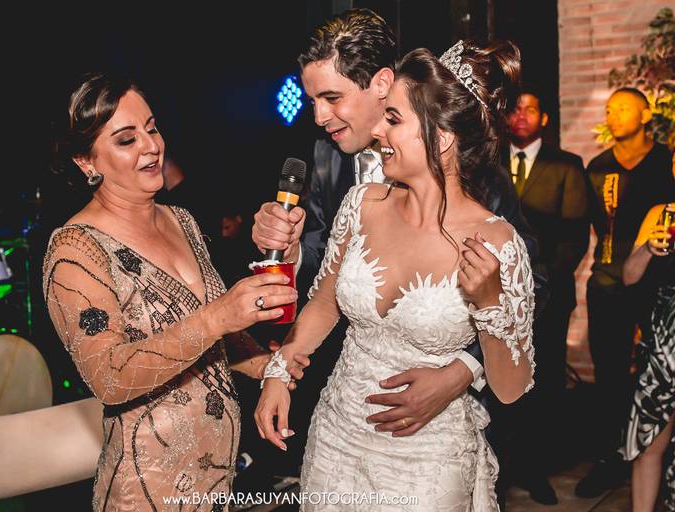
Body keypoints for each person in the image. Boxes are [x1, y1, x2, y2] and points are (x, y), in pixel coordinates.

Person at [251, 9, 546, 485]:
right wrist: (288, 257)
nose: (319, 116)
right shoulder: (346, 181)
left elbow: (527, 298)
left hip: (429, 455)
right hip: (337, 432)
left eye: (331, 98)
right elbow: (327, 285)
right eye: (313, 100)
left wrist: (463, 365)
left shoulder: (486, 202)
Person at [43, 72, 306, 510]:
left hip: (218, 484)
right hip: (147, 491)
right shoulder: (76, 249)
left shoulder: (181, 219)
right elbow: (109, 377)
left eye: (152, 128)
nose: (151, 146)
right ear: (87, 162)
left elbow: (213, 337)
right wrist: (219, 316)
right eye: (127, 140)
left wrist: (269, 367)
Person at [577, 87, 675, 498]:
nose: (613, 115)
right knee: (609, 374)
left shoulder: (665, 160)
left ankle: (653, 457)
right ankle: (610, 457)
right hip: (609, 282)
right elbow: (593, 225)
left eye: (623, 108)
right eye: (609, 109)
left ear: (645, 115)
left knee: (655, 377)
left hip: (661, 288)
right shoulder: (598, 166)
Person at [495, 90, 589, 504]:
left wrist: (535, 285)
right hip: (494, 293)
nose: (521, 115)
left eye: (530, 109)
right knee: (498, 379)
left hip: (548, 295)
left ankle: (537, 469)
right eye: (515, 109)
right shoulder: (489, 161)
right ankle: (498, 469)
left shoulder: (567, 164)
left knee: (545, 380)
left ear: (544, 119)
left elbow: (574, 236)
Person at [621, 199, 675, 511]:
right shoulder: (661, 213)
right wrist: (648, 250)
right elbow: (629, 275)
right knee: (649, 441)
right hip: (664, 346)